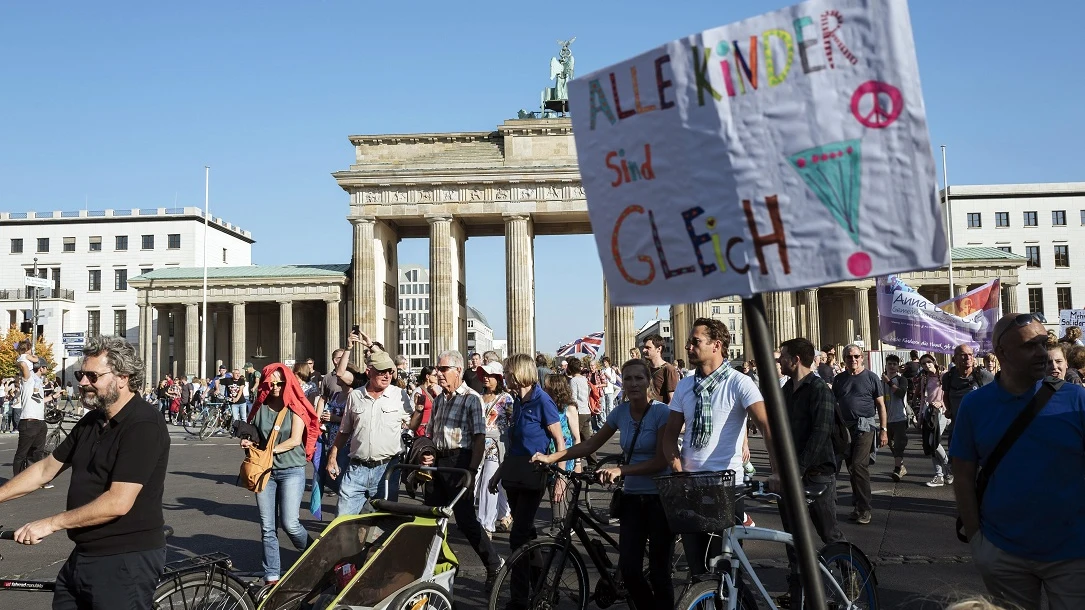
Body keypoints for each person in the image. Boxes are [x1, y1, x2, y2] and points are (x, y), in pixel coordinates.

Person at [0, 335, 170, 608]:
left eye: (92, 376)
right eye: (81, 374)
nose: (82, 382)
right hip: (85, 554)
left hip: (125, 560)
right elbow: (44, 469)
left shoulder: (143, 425)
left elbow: (118, 502)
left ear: (123, 377)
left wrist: (50, 523)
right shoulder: (93, 420)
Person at [951, 313, 1085, 610]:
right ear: (1002, 353)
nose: (1042, 353)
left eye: (1043, 343)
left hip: (1074, 554)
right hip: (1004, 553)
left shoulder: (1077, 400)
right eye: (1029, 346)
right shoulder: (975, 405)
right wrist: (977, 542)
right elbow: (962, 475)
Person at [535, 358, 673, 610]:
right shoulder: (620, 412)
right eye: (628, 378)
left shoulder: (661, 412)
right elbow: (590, 444)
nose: (632, 384)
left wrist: (621, 469)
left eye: (638, 378)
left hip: (658, 499)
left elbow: (660, 461)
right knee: (630, 570)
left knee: (659, 572)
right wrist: (552, 457)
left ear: (648, 381)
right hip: (631, 498)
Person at [663, 318, 777, 575]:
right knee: (697, 571)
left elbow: (767, 427)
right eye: (689, 342)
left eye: (695, 342)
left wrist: (777, 471)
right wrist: (678, 469)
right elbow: (669, 436)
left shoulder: (739, 382)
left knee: (724, 572)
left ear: (716, 345)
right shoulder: (685, 385)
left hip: (726, 487)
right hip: (690, 486)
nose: (688, 347)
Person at [410, 350, 503, 590]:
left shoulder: (471, 398)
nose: (438, 374)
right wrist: (428, 452)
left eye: (443, 369)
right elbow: (432, 433)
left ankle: (493, 564)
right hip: (439, 462)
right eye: (437, 369)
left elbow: (479, 438)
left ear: (458, 371)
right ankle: (440, 565)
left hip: (459, 462)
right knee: (432, 516)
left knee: (465, 519)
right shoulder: (441, 398)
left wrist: (471, 470)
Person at [487, 354, 566, 607]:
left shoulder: (542, 400)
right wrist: (498, 474)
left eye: (507, 371)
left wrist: (561, 478)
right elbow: (516, 444)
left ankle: (519, 599)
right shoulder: (518, 401)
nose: (504, 376)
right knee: (529, 536)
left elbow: (560, 442)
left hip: (533, 474)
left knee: (518, 537)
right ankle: (543, 589)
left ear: (519, 373)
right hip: (514, 473)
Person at [776, 338, 846, 606]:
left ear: (795, 360)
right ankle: (798, 593)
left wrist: (799, 468)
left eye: (783, 356)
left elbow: (821, 433)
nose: (780, 361)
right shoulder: (785, 391)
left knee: (829, 534)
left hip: (817, 473)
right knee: (792, 539)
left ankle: (847, 580)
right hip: (791, 475)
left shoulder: (819, 389)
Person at [241, 364, 320, 585]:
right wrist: (249, 441)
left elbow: (295, 440)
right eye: (272, 383)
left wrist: (268, 450)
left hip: (291, 470)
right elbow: (255, 434)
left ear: (288, 383)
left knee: (290, 523)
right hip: (265, 471)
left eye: (280, 383)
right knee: (267, 528)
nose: (275, 387)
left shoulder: (294, 405)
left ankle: (314, 553)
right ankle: (272, 575)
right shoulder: (260, 407)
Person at [326, 352, 411, 515]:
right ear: (369, 371)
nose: (387, 375)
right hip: (356, 468)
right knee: (343, 521)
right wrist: (332, 456)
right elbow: (344, 431)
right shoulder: (355, 396)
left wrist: (419, 412)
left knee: (383, 525)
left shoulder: (399, 395)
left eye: (390, 371)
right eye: (381, 371)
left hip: (386, 469)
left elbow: (412, 424)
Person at [831, 345, 888, 525]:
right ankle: (857, 507)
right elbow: (834, 405)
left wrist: (884, 430)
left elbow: (881, 406)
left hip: (865, 426)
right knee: (851, 468)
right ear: (844, 359)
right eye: (848, 357)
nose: (852, 360)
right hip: (845, 428)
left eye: (856, 356)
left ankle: (865, 508)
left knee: (858, 466)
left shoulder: (871, 377)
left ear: (862, 357)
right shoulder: (839, 379)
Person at [539, 373, 580, 535]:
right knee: (550, 490)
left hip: (564, 456)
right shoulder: (546, 406)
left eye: (547, 387)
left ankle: (559, 529)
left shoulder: (569, 408)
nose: (543, 389)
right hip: (547, 454)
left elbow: (577, 438)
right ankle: (558, 526)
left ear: (555, 389)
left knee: (558, 492)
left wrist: (578, 464)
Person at [476, 361, 513, 537]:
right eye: (484, 375)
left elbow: (513, 422)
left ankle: (486, 525)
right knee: (478, 484)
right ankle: (505, 513)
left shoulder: (507, 399)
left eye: (490, 376)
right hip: (479, 444)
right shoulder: (477, 397)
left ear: (498, 378)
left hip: (497, 446)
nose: (486, 378)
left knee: (488, 484)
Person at [941, 345, 994, 442]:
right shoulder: (948, 377)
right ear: (955, 357)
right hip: (956, 429)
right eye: (963, 355)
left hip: (979, 431)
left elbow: (997, 394)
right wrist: (948, 410)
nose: (968, 358)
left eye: (970, 354)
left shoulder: (983, 376)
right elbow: (946, 396)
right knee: (955, 456)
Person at [13, 341, 46, 477]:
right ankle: (18, 480)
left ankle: (34, 479)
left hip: (40, 421)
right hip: (29, 421)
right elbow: (22, 365)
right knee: (22, 453)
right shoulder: (27, 378)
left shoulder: (38, 380)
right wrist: (22, 360)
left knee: (37, 453)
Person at [881, 355, 910, 481]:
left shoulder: (902, 379)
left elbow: (900, 393)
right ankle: (901, 465)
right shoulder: (880, 381)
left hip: (900, 417)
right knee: (891, 444)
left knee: (899, 445)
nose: (892, 366)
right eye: (890, 364)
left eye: (894, 364)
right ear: (886, 365)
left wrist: (888, 382)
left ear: (898, 366)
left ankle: (897, 469)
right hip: (886, 419)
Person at [566, 358, 596, 463]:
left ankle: (574, 461)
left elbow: (573, 397)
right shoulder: (584, 379)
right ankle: (593, 462)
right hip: (586, 410)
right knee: (587, 439)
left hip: (578, 412)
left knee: (575, 437)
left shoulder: (573, 381)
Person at [642, 334, 679, 403]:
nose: (644, 350)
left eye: (648, 347)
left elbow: (672, 401)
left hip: (660, 412)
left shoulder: (669, 370)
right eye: (644, 347)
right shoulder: (645, 369)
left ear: (659, 349)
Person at [411, 366, 439, 437]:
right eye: (435, 375)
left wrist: (436, 392)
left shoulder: (439, 389)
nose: (437, 377)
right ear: (427, 376)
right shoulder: (418, 391)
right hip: (422, 430)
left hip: (436, 429)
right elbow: (412, 411)